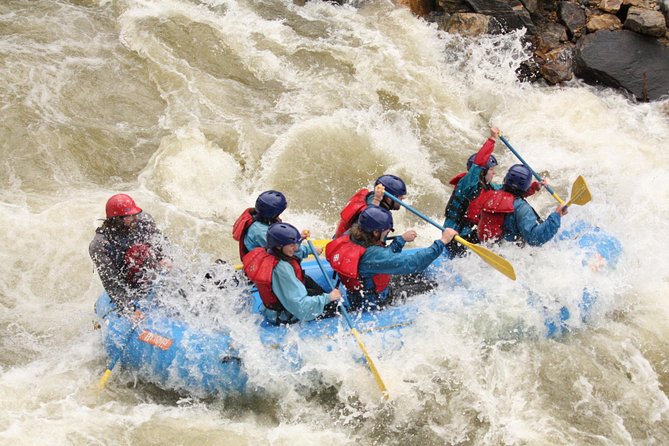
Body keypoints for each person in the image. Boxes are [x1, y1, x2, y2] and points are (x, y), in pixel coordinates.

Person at [326, 206, 457, 310]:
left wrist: (400, 240)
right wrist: (442, 241)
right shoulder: (372, 256)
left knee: (417, 276)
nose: (388, 233)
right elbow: (413, 263)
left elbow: (382, 259)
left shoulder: (351, 234)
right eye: (386, 231)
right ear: (375, 232)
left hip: (360, 290)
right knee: (432, 286)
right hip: (374, 300)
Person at [243, 222, 341, 325]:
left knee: (309, 282)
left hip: (282, 303)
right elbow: (300, 306)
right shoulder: (282, 269)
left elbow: (294, 251)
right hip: (285, 314)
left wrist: (299, 239)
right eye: (291, 245)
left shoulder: (270, 250)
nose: (295, 247)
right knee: (335, 307)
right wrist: (328, 297)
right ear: (279, 246)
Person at [89, 194, 171, 313]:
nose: (134, 219)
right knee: (133, 254)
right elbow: (111, 281)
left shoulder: (144, 220)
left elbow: (161, 241)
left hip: (151, 275)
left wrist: (165, 257)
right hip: (127, 284)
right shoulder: (100, 245)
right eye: (129, 217)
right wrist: (129, 309)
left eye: (134, 215)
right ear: (116, 220)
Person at [477, 164, 568, 246]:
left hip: (488, 244)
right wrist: (557, 215)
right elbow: (534, 239)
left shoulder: (492, 193)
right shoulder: (522, 208)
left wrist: (535, 186)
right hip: (511, 251)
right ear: (525, 186)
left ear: (506, 179)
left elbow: (511, 193)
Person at [443, 127, 501, 241]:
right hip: (454, 234)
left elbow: (506, 189)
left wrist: (533, 187)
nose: (494, 172)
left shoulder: (487, 186)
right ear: (482, 172)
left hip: (468, 231)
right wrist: (492, 140)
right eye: (491, 169)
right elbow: (478, 164)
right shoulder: (467, 184)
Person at [232, 190, 318, 261]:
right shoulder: (261, 232)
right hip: (263, 266)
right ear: (272, 214)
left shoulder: (257, 218)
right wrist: (311, 250)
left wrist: (298, 238)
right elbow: (286, 251)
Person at [333, 174, 407, 239]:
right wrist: (401, 240)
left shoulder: (369, 196)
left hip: (339, 237)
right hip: (346, 246)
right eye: (399, 197)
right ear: (389, 198)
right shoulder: (372, 215)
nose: (402, 198)